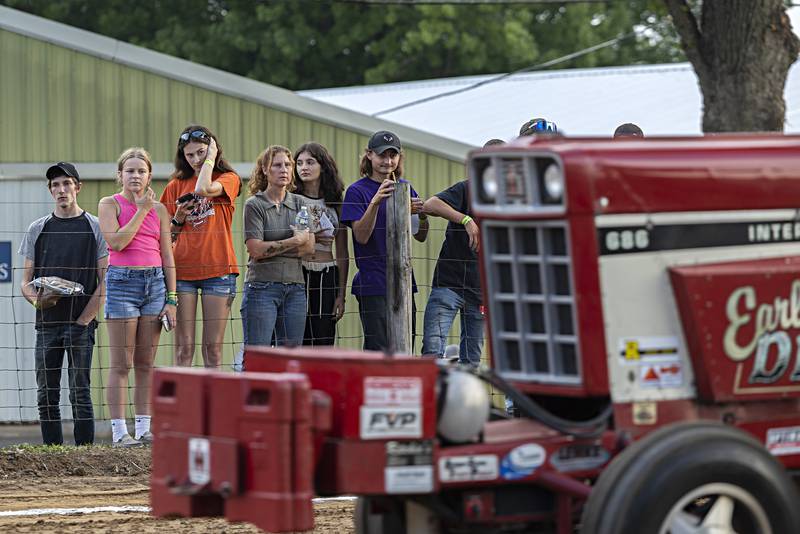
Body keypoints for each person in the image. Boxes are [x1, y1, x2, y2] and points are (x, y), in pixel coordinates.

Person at [18, 162, 108, 446]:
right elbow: (25, 281)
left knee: (79, 391)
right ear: (50, 191)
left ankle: (85, 453)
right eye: (55, 185)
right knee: (46, 393)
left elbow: (107, 280)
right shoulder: (38, 228)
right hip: (46, 325)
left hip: (81, 324)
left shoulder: (95, 227)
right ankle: (53, 453)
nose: (61, 190)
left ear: (77, 188)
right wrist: (38, 302)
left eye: (67, 183)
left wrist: (85, 319)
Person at [98, 148, 177, 447]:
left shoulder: (161, 211)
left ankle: (144, 427)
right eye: (129, 170)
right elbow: (116, 242)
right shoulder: (110, 204)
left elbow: (167, 254)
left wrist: (171, 298)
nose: (135, 176)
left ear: (149, 176)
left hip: (155, 284)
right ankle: (120, 432)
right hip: (122, 284)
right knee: (122, 363)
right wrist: (142, 209)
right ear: (120, 175)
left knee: (146, 363)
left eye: (141, 171)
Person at [160, 125, 241, 368]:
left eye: (201, 152)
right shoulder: (175, 185)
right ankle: (184, 406)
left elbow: (203, 189)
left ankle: (212, 406)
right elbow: (165, 236)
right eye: (190, 155)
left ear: (213, 151)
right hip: (182, 273)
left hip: (219, 272)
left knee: (213, 350)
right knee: (184, 350)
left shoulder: (229, 179)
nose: (196, 159)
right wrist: (179, 218)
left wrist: (211, 160)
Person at [341, 130, 428, 352]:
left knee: (405, 347)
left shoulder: (404, 187)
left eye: (393, 155)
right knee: (378, 350)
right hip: (373, 283)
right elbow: (360, 236)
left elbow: (420, 235)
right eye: (381, 155)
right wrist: (376, 202)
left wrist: (422, 213)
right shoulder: (356, 191)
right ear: (369, 155)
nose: (387, 161)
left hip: (405, 281)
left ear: (399, 157)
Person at [421, 140, 501, 365]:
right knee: (433, 352)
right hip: (449, 284)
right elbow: (430, 204)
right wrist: (465, 219)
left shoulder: (510, 199)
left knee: (472, 360)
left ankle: (466, 399)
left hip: (482, 292)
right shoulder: (467, 189)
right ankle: (432, 399)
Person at [241, 145, 313, 355]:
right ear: (265, 169)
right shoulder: (255, 205)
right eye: (277, 165)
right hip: (262, 288)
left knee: (291, 357)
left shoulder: (299, 203)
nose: (284, 170)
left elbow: (308, 248)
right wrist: (293, 241)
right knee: (258, 356)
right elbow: (255, 250)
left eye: (288, 165)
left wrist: (271, 248)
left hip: (295, 288)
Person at [293, 143, 349, 346]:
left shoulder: (336, 202)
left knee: (323, 335)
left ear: (323, 166)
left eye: (310, 162)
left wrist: (341, 295)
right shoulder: (291, 198)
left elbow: (342, 252)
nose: (303, 168)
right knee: (299, 336)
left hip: (327, 274)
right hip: (298, 272)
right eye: (299, 163)